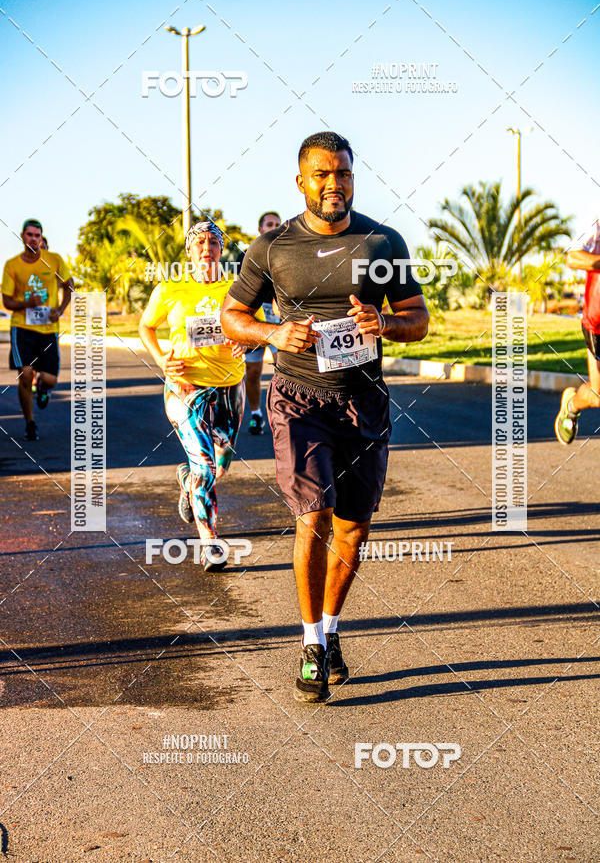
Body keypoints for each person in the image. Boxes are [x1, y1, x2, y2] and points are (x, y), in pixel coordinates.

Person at [221, 131, 428, 701]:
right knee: (314, 515)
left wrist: (385, 324)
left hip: (364, 401)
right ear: (301, 182)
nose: (335, 184)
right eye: (323, 174)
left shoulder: (381, 243)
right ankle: (311, 643)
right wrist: (272, 333)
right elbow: (233, 316)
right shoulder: (273, 247)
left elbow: (417, 317)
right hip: (299, 398)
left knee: (353, 527)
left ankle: (331, 629)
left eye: (344, 173)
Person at [139, 221, 247, 571]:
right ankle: (209, 543)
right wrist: (160, 358)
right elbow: (146, 326)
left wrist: (246, 342)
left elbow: (255, 330)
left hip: (230, 386)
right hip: (185, 388)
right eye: (199, 242)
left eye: (213, 242)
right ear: (188, 251)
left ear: (221, 249)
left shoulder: (238, 289)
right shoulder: (170, 288)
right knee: (205, 467)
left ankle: (187, 480)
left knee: (220, 466)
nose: (206, 248)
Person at [1, 218, 73, 441]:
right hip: (22, 328)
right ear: (23, 236)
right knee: (26, 374)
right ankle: (30, 423)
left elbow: (69, 285)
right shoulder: (12, 265)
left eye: (37, 235)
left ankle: (42, 388)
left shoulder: (54, 260)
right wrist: (27, 303)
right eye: (29, 235)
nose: (34, 239)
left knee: (50, 380)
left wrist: (60, 309)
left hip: (48, 329)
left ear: (41, 238)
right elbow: (7, 302)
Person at [555, 220, 600, 443]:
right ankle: (571, 405)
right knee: (597, 396)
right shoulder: (596, 222)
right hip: (597, 323)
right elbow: (572, 257)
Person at [241, 211, 281, 434]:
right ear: (260, 229)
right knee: (253, 371)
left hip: (278, 319)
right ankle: (256, 414)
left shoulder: (287, 253)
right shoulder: (247, 254)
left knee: (282, 369)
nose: (274, 227)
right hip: (255, 319)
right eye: (269, 224)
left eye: (277, 224)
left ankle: (281, 415)